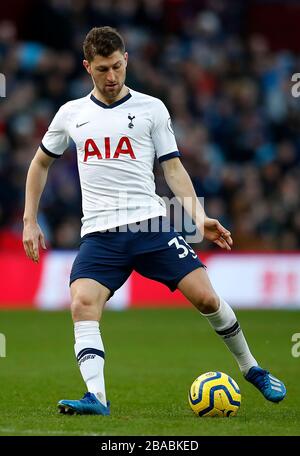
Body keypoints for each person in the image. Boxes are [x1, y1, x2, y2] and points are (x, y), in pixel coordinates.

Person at [22, 26, 286, 416]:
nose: (111, 77)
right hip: (99, 233)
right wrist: (30, 220)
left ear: (126, 60)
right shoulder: (70, 115)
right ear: (86, 68)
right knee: (82, 303)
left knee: (207, 298)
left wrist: (199, 217)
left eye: (116, 67)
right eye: (101, 70)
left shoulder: (152, 109)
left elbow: (174, 169)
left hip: (150, 225)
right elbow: (40, 163)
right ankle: (96, 397)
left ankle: (252, 368)